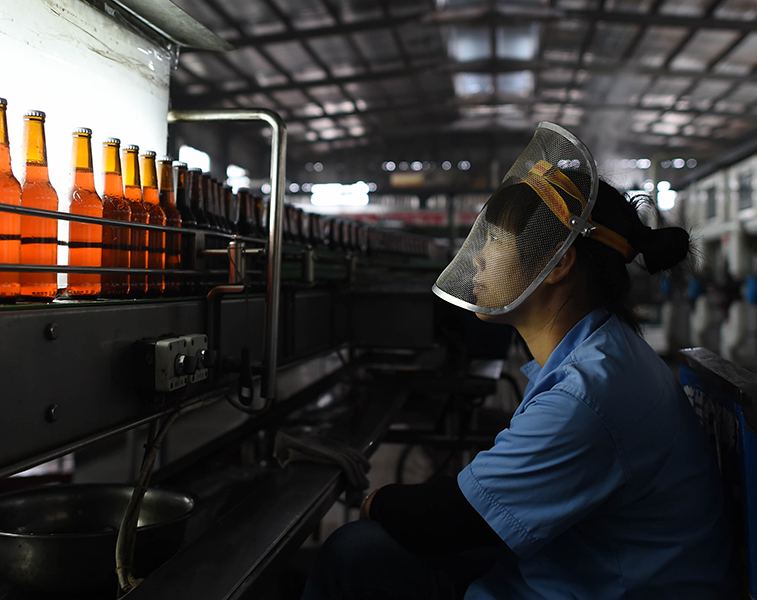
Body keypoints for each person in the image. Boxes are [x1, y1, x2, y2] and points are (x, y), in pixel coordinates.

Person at [301, 122, 734, 599]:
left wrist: (374, 500)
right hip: (579, 571)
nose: (479, 258)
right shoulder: (599, 354)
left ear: (559, 263)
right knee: (366, 552)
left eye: (496, 241)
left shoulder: (587, 394)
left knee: (354, 552)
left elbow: (451, 520)